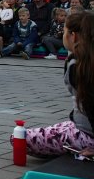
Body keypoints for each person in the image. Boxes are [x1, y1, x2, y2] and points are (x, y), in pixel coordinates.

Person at [24, 9, 94, 157]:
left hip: (88, 136)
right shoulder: (82, 61)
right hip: (83, 127)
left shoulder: (78, 66)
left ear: (73, 37)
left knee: (21, 138)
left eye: (64, 32)